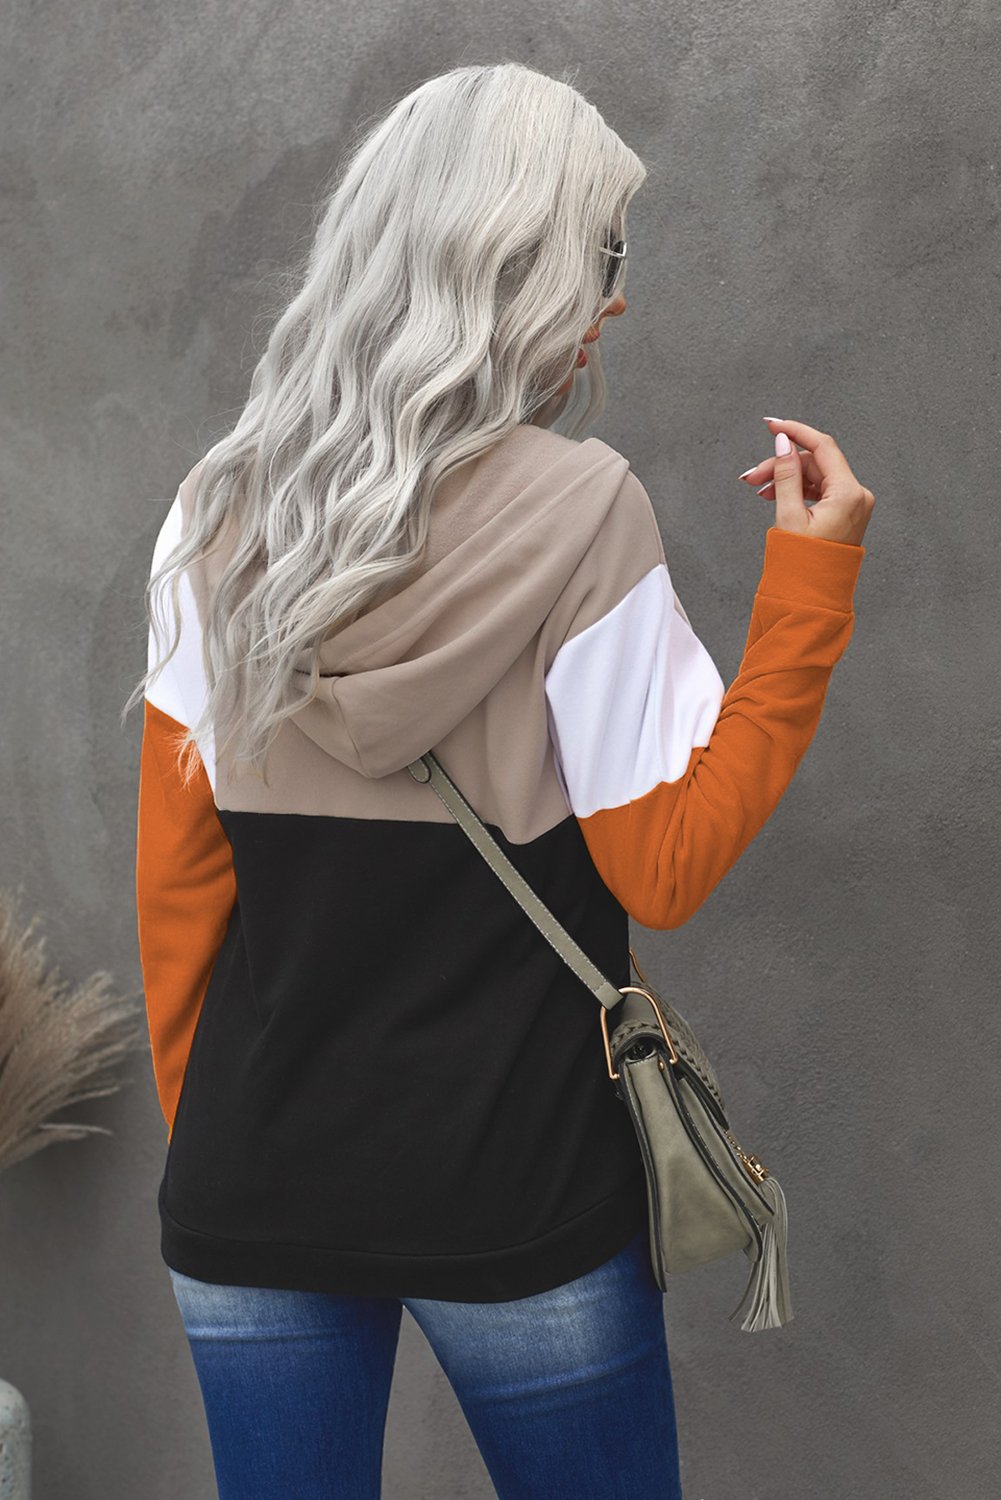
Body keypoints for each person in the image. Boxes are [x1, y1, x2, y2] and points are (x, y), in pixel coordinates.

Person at [125, 60, 873, 1500]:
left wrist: (228, 1134)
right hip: (519, 1189)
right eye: (606, 253)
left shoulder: (211, 514)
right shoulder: (586, 510)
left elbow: (179, 888)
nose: (617, 300)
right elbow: (663, 867)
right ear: (515, 266)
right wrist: (808, 586)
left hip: (251, 1178)